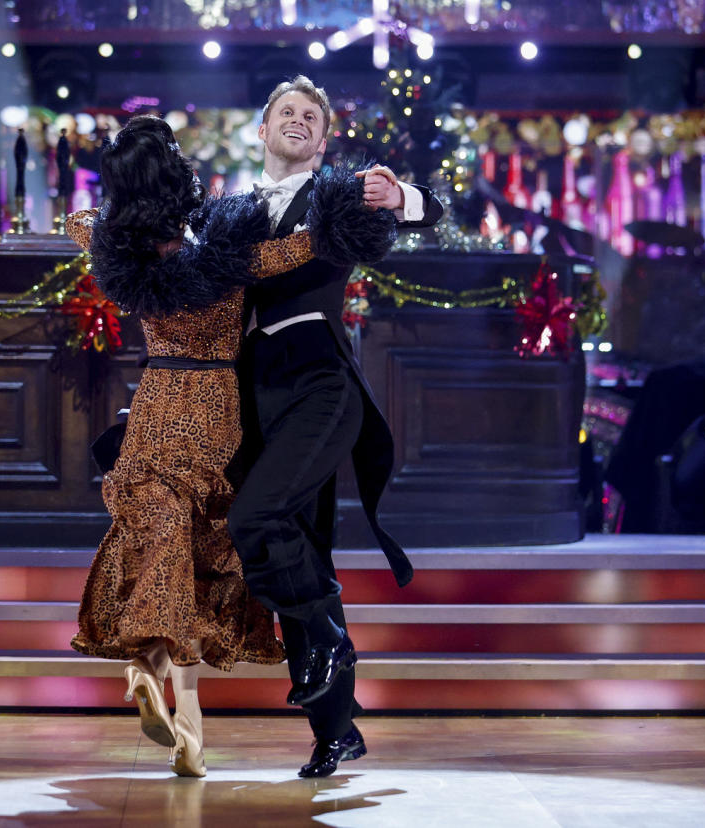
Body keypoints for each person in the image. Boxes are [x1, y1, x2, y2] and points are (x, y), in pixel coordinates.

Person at [66, 115, 394, 778]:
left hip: (156, 404)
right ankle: (184, 715)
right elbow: (297, 251)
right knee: (202, 555)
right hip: (214, 411)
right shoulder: (225, 261)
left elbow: (80, 221)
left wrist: (106, 215)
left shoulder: (115, 252)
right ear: (182, 183)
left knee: (156, 547)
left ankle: (150, 674)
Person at [227, 75, 445, 778]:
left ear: (323, 141)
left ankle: (326, 640)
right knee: (300, 547)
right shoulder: (231, 212)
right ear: (261, 132)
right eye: (284, 112)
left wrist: (399, 195)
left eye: (309, 116)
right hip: (254, 389)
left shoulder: (335, 194)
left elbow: (425, 212)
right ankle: (336, 730)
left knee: (257, 519)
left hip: (319, 380)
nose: (296, 121)